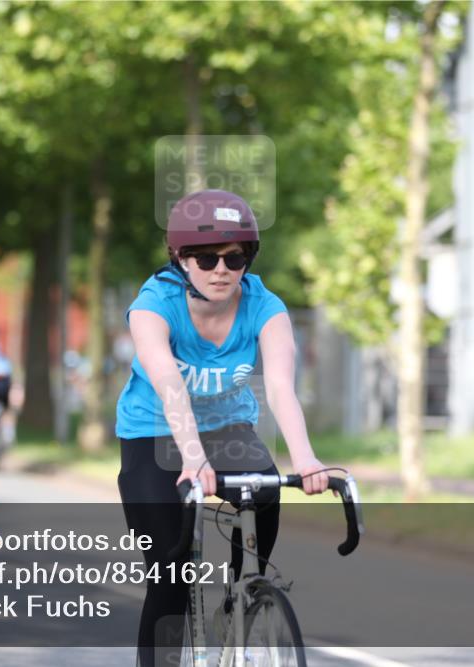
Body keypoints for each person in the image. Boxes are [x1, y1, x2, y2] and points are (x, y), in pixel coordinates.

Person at [115, 189, 331, 667]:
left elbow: (279, 387)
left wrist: (306, 459)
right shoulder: (154, 304)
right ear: (180, 258)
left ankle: (243, 598)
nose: (221, 269)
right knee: (170, 574)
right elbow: (167, 379)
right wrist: (192, 456)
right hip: (152, 433)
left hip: (228, 428)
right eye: (206, 257)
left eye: (235, 258)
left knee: (267, 488)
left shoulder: (265, 306)